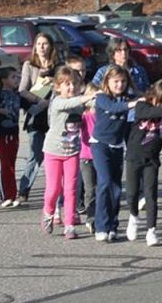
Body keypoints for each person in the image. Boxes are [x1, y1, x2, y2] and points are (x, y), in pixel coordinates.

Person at [124, 79, 162, 246]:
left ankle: (151, 230)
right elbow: (149, 113)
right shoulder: (142, 105)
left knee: (151, 194)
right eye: (161, 101)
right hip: (134, 157)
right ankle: (133, 216)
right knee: (131, 193)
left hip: (152, 160)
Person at [40, 65, 96, 239]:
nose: (71, 87)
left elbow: (93, 104)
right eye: (67, 84)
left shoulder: (79, 101)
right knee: (54, 188)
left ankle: (70, 224)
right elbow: (70, 103)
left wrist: (102, 98)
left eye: (74, 84)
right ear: (57, 87)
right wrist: (87, 96)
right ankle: (48, 212)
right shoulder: (57, 102)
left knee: (71, 188)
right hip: (53, 151)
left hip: (72, 152)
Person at [91, 65, 140, 241]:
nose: (119, 85)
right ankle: (100, 226)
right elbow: (114, 108)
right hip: (100, 145)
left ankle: (112, 225)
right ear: (107, 82)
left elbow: (142, 101)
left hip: (117, 146)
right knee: (104, 182)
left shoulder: (129, 97)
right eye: (116, 81)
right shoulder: (102, 97)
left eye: (123, 81)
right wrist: (133, 103)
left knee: (116, 187)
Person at [18, 33, 59, 203]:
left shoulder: (58, 66)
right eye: (39, 44)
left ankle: (56, 192)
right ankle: (23, 190)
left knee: (55, 156)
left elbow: (64, 88)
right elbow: (22, 90)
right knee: (35, 154)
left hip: (54, 115)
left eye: (45, 43)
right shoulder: (29, 65)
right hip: (36, 114)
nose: (42, 47)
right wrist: (38, 100)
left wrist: (50, 100)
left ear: (51, 46)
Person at [0, 66, 29, 207]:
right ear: (3, 80)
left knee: (12, 162)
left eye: (18, 77)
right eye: (13, 77)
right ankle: (7, 195)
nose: (17, 80)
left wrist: (44, 103)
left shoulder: (18, 95)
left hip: (13, 133)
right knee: (5, 163)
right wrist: (0, 110)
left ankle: (13, 194)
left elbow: (31, 107)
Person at [79, 82, 99, 233]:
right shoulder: (83, 116)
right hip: (86, 156)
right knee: (90, 189)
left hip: (101, 155)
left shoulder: (103, 114)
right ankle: (91, 218)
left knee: (102, 188)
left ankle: (101, 216)